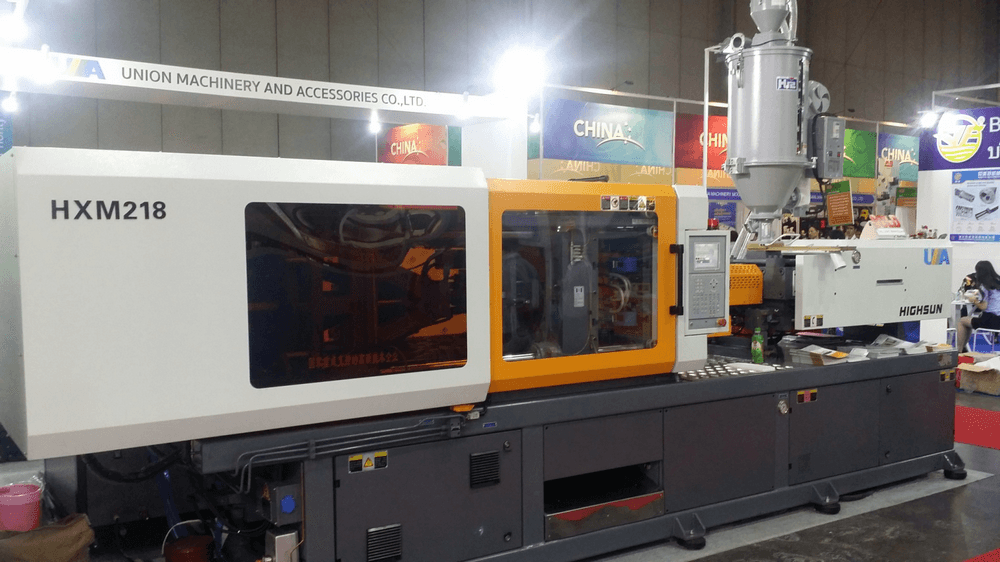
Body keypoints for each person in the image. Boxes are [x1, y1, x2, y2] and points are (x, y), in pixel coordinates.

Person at [957, 261, 1000, 352]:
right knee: (969, 321)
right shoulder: (998, 282)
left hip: (991, 320)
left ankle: (959, 350)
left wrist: (974, 300)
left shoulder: (986, 285)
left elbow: (983, 306)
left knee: (962, 321)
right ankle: (963, 349)